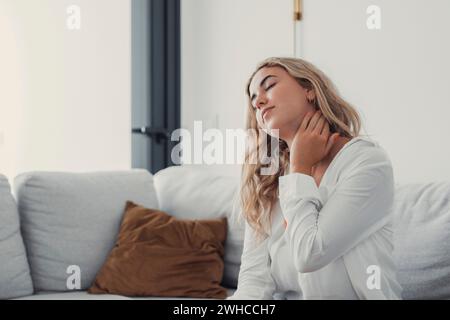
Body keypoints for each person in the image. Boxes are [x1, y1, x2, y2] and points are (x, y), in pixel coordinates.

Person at [227, 57, 402, 300]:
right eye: (254, 100)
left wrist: (300, 168)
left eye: (269, 86)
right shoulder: (266, 182)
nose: (259, 102)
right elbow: (254, 283)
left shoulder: (367, 161)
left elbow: (310, 254)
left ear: (308, 89)